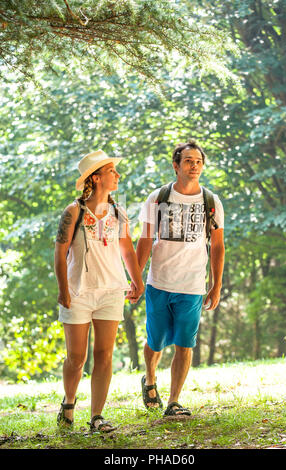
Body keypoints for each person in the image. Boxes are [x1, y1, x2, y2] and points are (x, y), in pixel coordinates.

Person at [54, 149, 144, 432]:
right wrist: (63, 288)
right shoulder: (74, 211)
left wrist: (137, 280)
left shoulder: (119, 212)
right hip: (78, 291)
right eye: (111, 171)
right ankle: (69, 403)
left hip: (111, 291)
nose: (117, 175)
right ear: (95, 177)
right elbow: (59, 252)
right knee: (77, 357)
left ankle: (97, 417)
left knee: (104, 355)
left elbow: (127, 249)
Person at [136, 139, 225, 417]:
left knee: (185, 343)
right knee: (156, 341)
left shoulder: (211, 201)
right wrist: (136, 281)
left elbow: (218, 245)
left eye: (198, 162)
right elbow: (145, 239)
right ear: (176, 166)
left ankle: (174, 401)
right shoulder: (158, 197)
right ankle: (150, 379)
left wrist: (216, 284)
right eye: (188, 161)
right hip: (159, 283)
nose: (194, 166)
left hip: (192, 286)